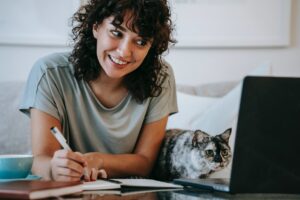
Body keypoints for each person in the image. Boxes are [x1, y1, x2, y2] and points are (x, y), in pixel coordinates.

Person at [19, 0, 177, 182]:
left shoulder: (160, 77)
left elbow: (145, 162)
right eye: (116, 33)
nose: (124, 52)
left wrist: (98, 160)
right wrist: (54, 169)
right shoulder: (49, 73)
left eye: (141, 41)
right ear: (96, 26)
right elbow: (41, 160)